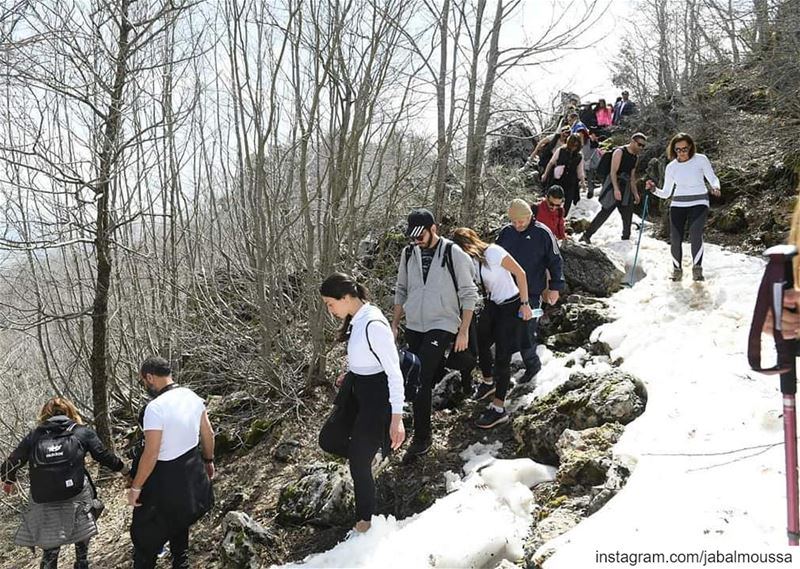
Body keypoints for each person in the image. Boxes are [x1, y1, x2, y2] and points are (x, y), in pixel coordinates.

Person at [319, 273, 405, 532]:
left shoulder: (374, 324)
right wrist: (352, 371)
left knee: (357, 462)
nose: (329, 309)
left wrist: (397, 420)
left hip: (376, 398)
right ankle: (368, 454)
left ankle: (366, 522)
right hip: (356, 391)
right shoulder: (357, 320)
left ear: (345, 298)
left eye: (330, 303)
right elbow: (366, 357)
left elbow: (394, 372)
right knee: (329, 439)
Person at [1, 397, 129, 569]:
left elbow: (12, 461)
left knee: (50, 546)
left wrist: (8, 480)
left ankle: (49, 563)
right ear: (71, 412)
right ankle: (82, 561)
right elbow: (104, 456)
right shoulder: (81, 432)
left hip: (44, 499)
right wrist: (126, 472)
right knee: (83, 525)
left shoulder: (35, 435)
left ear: (44, 414)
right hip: (76, 494)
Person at [392, 208, 478, 458]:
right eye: (413, 237)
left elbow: (468, 293)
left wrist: (463, 331)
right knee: (414, 375)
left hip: (443, 323)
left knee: (421, 376)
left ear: (433, 229)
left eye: (421, 236)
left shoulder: (454, 253)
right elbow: (401, 289)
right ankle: (421, 416)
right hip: (415, 324)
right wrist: (395, 324)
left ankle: (422, 438)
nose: (417, 241)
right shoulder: (408, 253)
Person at [128, 356, 214, 569]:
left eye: (143, 381)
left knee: (144, 540)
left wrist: (136, 486)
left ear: (150, 377)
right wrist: (209, 460)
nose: (144, 386)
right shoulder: (191, 396)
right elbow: (208, 433)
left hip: (162, 481)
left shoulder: (155, 408)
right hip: (190, 474)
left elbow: (151, 453)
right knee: (179, 524)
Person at [451, 228, 532, 428]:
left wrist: (525, 303)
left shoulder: (494, 252)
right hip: (493, 305)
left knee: (502, 356)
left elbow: (520, 274)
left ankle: (498, 408)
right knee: (481, 343)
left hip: (511, 304)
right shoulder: (474, 261)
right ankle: (488, 382)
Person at [497, 199, 565, 383]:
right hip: (507, 293)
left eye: (522, 221)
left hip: (533, 292)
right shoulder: (506, 233)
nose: (518, 225)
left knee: (526, 331)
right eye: (514, 222)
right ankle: (503, 370)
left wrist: (555, 288)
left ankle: (532, 365)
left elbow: (555, 261)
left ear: (530, 216)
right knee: (505, 331)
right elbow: (495, 257)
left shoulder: (542, 233)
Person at [645, 133, 721, 281]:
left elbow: (712, 177)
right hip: (678, 203)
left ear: (691, 147)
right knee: (675, 237)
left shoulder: (700, 160)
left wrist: (715, 187)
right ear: (674, 150)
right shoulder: (671, 167)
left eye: (685, 149)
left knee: (695, 232)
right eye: (678, 150)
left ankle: (697, 270)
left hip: (699, 201)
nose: (682, 152)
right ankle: (677, 270)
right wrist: (654, 190)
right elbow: (666, 193)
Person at [580, 133, 647, 244]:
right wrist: (616, 189)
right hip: (613, 185)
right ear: (633, 141)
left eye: (643, 146)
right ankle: (587, 235)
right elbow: (613, 172)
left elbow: (632, 176)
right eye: (639, 144)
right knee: (605, 211)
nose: (641, 148)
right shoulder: (619, 152)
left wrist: (635, 193)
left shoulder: (635, 157)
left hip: (626, 188)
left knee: (628, 214)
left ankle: (626, 239)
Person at [542, 134, 587, 216]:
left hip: (570, 181)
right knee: (553, 199)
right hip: (558, 179)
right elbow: (551, 163)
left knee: (567, 202)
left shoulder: (579, 156)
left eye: (576, 145)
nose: (574, 147)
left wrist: (583, 182)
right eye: (572, 145)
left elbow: (580, 171)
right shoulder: (561, 150)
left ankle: (561, 219)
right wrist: (545, 174)